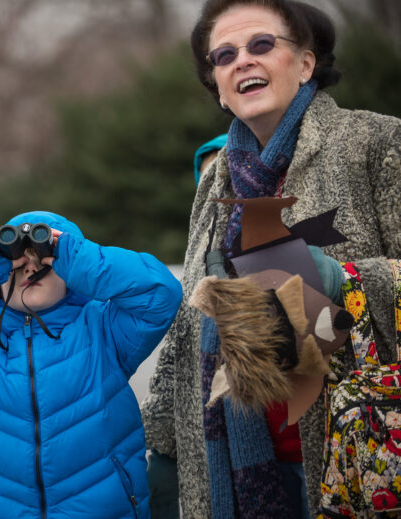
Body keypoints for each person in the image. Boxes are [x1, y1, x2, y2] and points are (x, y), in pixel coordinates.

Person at [140, 0, 401, 517]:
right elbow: (189, 331)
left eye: (261, 45)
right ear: (217, 85)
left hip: (357, 459)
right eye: (224, 55)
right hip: (239, 469)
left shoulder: (376, 143)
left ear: (306, 64)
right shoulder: (217, 181)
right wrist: (166, 452)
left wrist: (335, 279)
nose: (242, 61)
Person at [0, 210, 182, 518]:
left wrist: (71, 254)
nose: (29, 266)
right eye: (16, 262)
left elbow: (161, 294)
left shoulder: (102, 329)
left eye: (42, 258)